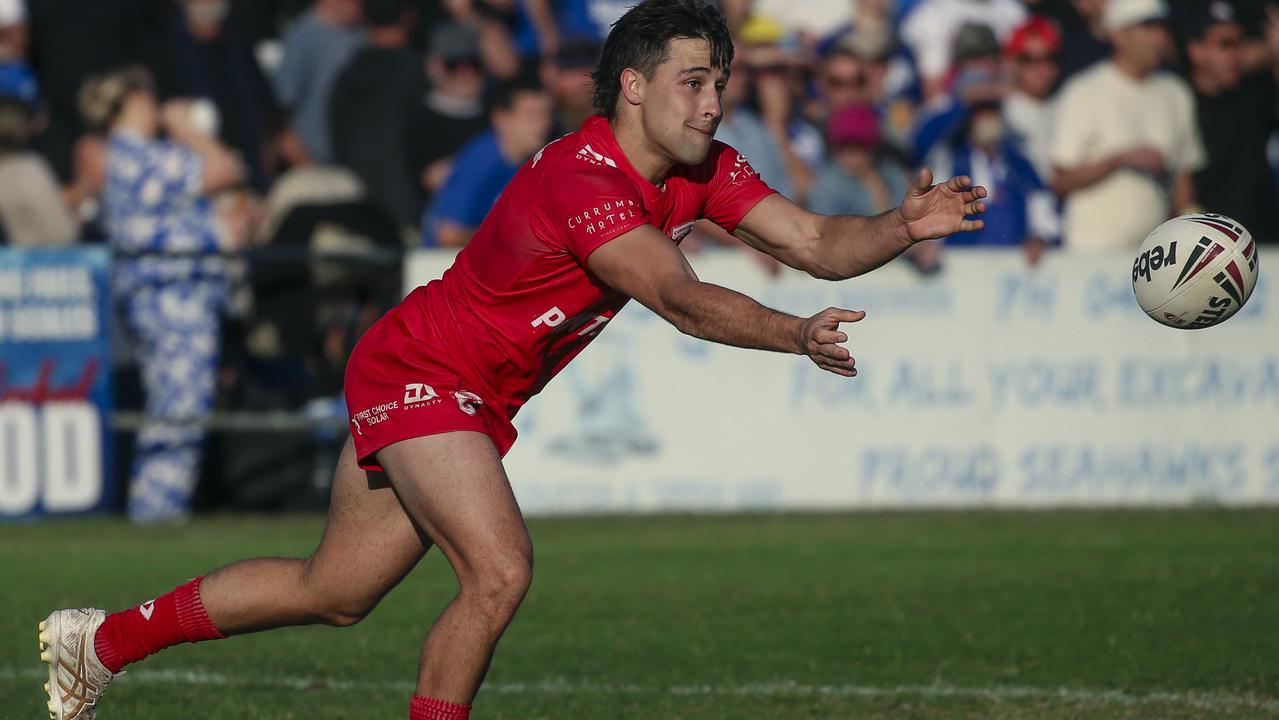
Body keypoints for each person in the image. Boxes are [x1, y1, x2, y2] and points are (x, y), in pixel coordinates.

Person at [38, 3, 986, 720]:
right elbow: (681, 298)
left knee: (334, 593)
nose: (713, 100)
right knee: (498, 572)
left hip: (455, 386)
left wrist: (902, 223)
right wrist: (793, 333)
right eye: (694, 80)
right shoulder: (583, 178)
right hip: (421, 370)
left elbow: (817, 238)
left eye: (719, 81)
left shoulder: (705, 168)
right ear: (632, 86)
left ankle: (100, 643)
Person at [76, 66, 245, 524]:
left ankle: (157, 511)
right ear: (132, 101)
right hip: (173, 301)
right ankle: (156, 512)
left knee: (175, 405)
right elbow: (226, 167)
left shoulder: (131, 157)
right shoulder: (136, 156)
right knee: (179, 409)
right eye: (150, 100)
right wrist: (190, 129)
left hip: (169, 299)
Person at [1050, 0, 1207, 251]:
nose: (1159, 38)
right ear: (1120, 36)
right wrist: (1118, 160)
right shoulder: (1084, 91)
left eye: (1163, 29)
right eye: (1148, 28)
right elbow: (1060, 180)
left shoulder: (1176, 93)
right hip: (1092, 251)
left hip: (1155, 255)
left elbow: (1183, 179)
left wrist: (1193, 230)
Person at [1182, 0, 1279, 243]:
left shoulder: (1256, 91)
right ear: (1196, 50)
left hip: (1264, 243)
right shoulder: (1178, 98)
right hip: (1205, 249)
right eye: (1225, 45)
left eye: (1239, 43)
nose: (1235, 54)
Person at [328, 0, 426, 232]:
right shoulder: (420, 75)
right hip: (408, 212)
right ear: (408, 17)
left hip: (356, 212)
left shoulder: (345, 77)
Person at [418, 77, 553, 247]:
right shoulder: (482, 159)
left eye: (546, 114)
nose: (543, 124)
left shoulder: (533, 161)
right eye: (532, 115)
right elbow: (448, 234)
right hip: (444, 265)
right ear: (501, 118)